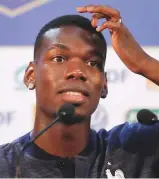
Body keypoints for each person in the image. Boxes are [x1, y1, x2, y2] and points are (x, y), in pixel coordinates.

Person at [0, 4, 159, 178]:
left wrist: (143, 63)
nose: (77, 71)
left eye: (93, 63)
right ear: (31, 75)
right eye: (59, 58)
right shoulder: (6, 166)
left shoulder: (137, 150)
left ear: (104, 85)